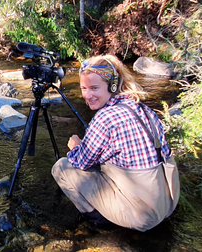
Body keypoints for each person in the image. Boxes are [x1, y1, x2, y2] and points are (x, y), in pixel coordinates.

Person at [51, 54, 180, 231]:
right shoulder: (143, 108)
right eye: (84, 88)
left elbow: (81, 161)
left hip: (141, 217)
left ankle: (101, 223)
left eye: (94, 88)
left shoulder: (105, 117)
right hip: (167, 206)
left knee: (61, 167)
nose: (88, 95)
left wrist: (76, 147)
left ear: (112, 85)